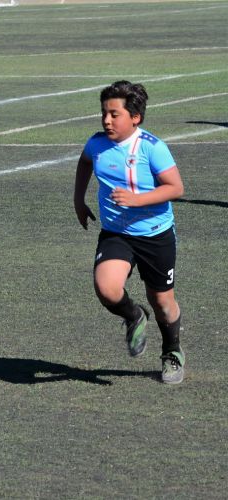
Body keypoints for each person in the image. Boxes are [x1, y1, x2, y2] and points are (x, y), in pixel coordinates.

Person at [74, 80, 186, 384]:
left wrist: (137, 199)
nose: (106, 120)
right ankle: (134, 315)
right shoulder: (97, 143)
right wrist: (78, 200)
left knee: (162, 302)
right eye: (104, 113)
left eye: (114, 114)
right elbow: (85, 161)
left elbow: (176, 188)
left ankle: (172, 352)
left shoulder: (152, 147)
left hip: (155, 235)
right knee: (107, 288)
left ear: (135, 117)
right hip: (116, 233)